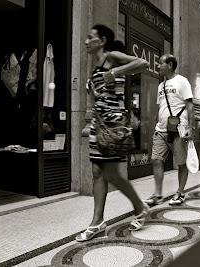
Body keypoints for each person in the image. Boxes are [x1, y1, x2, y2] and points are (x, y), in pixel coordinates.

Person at [76, 24, 150, 242]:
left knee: (113, 175)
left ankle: (140, 207)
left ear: (103, 40)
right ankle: (97, 222)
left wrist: (114, 72)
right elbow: (92, 102)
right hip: (98, 127)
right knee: (97, 172)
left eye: (91, 38)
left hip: (114, 126)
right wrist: (88, 123)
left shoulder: (112, 57)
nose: (86, 41)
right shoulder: (93, 68)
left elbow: (143, 63)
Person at [144, 54, 195, 206]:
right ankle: (158, 194)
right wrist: (154, 126)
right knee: (156, 160)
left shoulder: (182, 81)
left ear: (170, 65)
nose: (158, 66)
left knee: (180, 163)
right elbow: (159, 108)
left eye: (161, 63)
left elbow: (190, 106)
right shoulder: (161, 86)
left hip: (179, 128)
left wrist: (190, 128)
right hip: (160, 129)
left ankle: (180, 192)